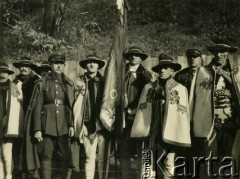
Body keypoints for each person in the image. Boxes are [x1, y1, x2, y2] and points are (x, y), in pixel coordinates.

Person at [28, 54, 75, 179]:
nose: (58, 65)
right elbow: (37, 107)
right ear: (50, 65)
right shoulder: (41, 83)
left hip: (64, 124)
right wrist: (37, 129)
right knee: (46, 156)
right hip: (47, 125)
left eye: (61, 63)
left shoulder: (69, 83)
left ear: (64, 65)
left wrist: (71, 124)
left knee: (66, 157)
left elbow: (71, 106)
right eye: (55, 63)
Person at [147, 54, 191, 178]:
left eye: (166, 68)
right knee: (148, 163)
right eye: (160, 68)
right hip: (152, 131)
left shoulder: (180, 89)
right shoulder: (149, 88)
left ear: (172, 70)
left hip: (170, 131)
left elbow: (182, 114)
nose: (162, 70)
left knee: (169, 162)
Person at [72, 54, 106, 179]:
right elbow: (75, 106)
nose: (92, 65)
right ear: (85, 65)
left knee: (103, 158)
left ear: (98, 65)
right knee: (89, 157)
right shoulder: (79, 82)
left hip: (103, 125)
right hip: (87, 124)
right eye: (89, 62)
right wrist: (81, 124)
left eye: (94, 62)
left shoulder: (105, 82)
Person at [119, 46, 152, 179]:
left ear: (140, 58)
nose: (133, 57)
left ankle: (144, 176)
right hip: (124, 116)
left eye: (136, 55)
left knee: (143, 149)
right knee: (124, 149)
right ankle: (125, 176)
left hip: (140, 116)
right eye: (131, 55)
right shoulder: (120, 72)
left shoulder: (145, 74)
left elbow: (149, 93)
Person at [12, 56, 40, 178]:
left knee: (31, 147)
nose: (23, 68)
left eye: (26, 66)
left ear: (30, 68)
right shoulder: (14, 82)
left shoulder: (36, 81)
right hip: (17, 117)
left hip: (32, 117)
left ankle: (32, 174)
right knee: (17, 148)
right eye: (21, 66)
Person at [0, 62, 24, 179]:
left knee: (7, 153)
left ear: (8, 74)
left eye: (4, 72)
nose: (2, 75)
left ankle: (9, 175)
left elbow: (18, 103)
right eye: (0, 72)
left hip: (7, 124)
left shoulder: (13, 87)